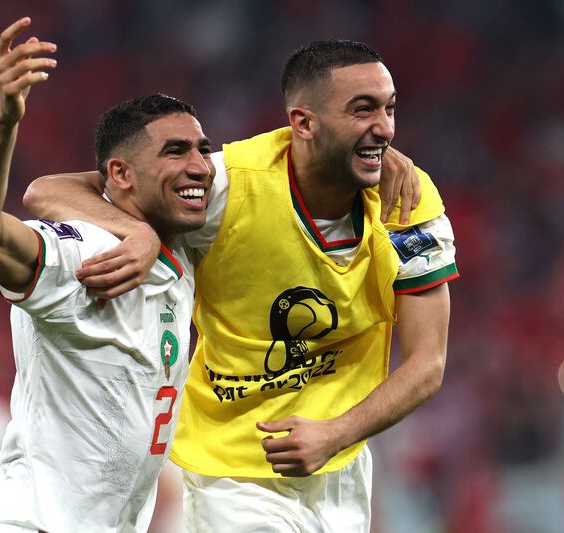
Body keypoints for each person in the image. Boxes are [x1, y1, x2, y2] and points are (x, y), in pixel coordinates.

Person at [25, 40, 458, 532]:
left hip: (340, 466)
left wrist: (337, 434)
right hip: (232, 471)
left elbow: (429, 364)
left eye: (389, 108)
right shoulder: (228, 186)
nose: (384, 127)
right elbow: (49, 190)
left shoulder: (408, 202)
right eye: (363, 110)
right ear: (304, 123)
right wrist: (138, 230)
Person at [0, 17, 214, 532]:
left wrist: (388, 165)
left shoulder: (181, 249)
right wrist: (6, 118)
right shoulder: (86, 252)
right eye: (176, 151)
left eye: (203, 148)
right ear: (119, 174)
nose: (202, 165)